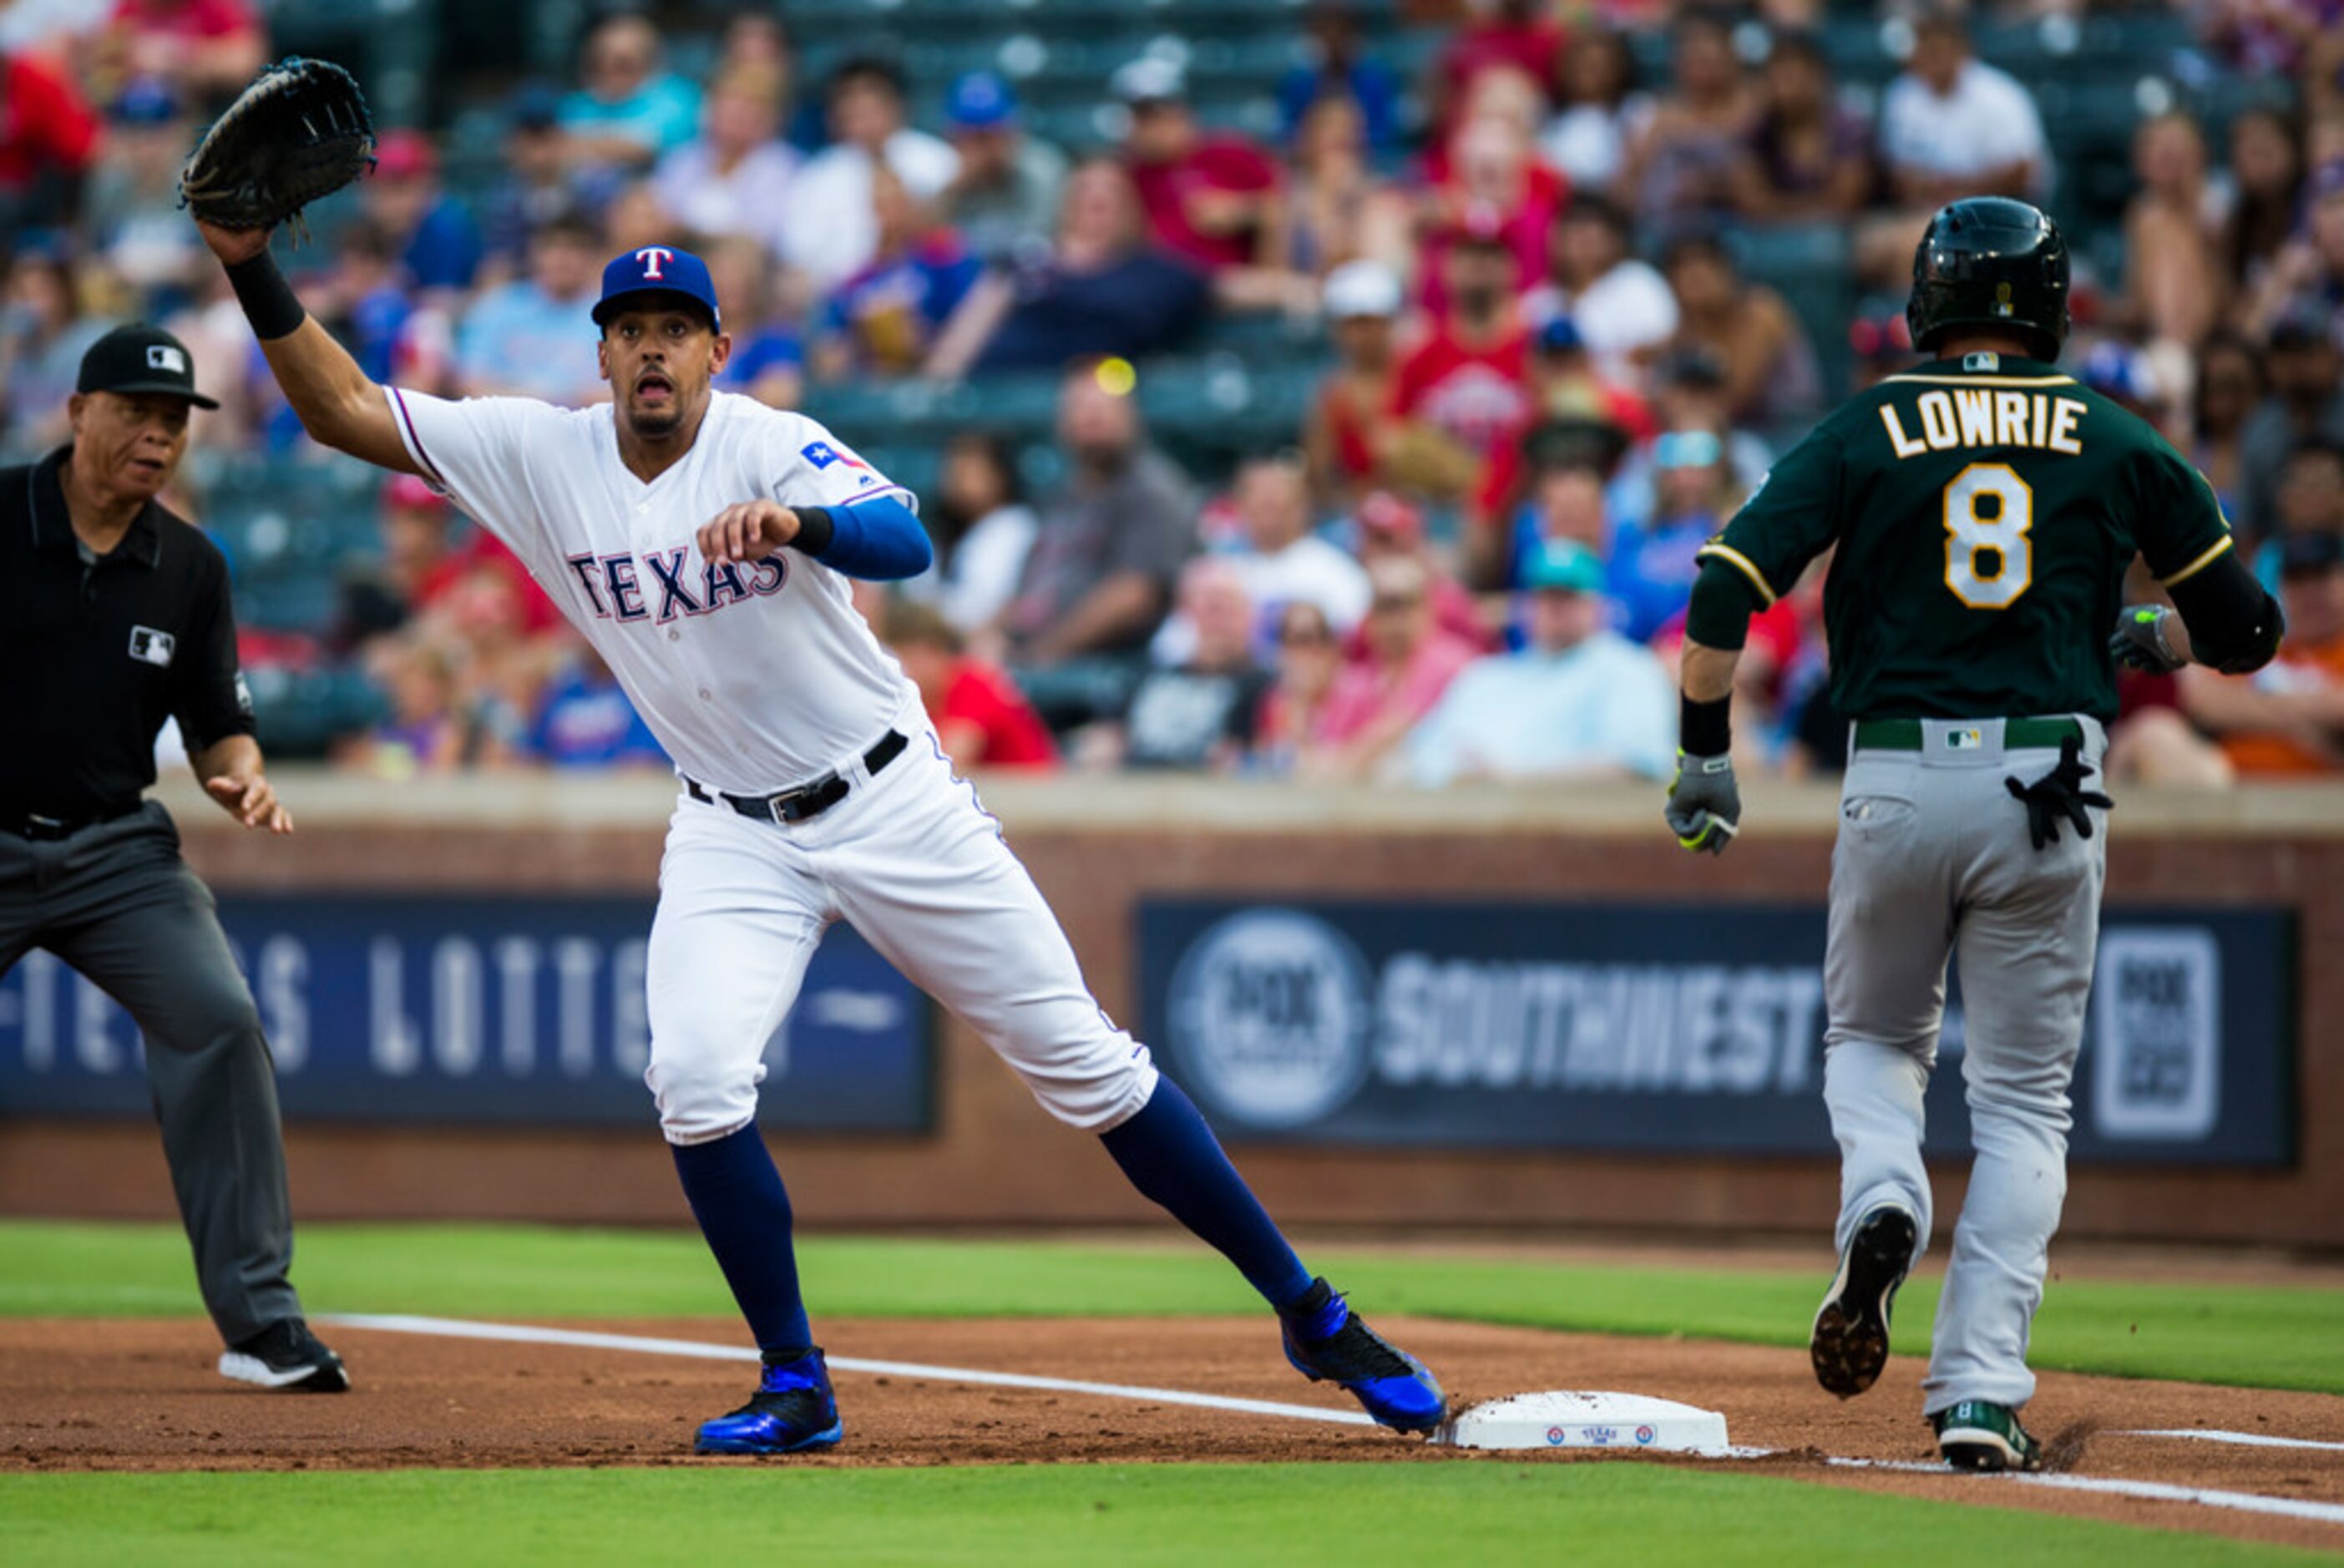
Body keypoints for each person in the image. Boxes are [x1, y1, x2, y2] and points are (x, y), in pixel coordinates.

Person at [200, 212, 1442, 1451]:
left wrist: (799, 524)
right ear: (600, 357)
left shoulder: (769, 442)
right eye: (629, 330)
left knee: (1086, 1064)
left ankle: (1309, 1312)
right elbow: (343, 409)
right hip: (730, 827)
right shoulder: (541, 454)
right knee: (692, 1081)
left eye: (674, 332)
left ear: (716, 350)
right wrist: (251, 263)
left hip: (891, 796)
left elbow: (903, 536)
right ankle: (795, 1380)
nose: (650, 351)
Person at [1663, 198, 2285, 1472]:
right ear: (2052, 302)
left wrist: (1704, 752)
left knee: (1871, 1037)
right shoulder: (2112, 433)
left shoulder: (1868, 421)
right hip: (2048, 780)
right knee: (2020, 1100)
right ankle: (1977, 1392)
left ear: (1926, 300)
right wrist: (2151, 634)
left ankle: (1882, 1193)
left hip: (1892, 774)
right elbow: (2246, 631)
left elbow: (1725, 580)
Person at [0, 322, 345, 1393]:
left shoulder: (190, 566)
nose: (158, 437)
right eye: (138, 414)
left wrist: (240, 772)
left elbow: (216, 724)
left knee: (220, 1020)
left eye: (174, 421)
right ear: (78, 414)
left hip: (116, 851)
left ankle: (261, 1326)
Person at [1406, 538, 1674, 785]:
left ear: (1597, 605)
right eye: (1545, 595)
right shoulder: (1484, 676)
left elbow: (1641, 767)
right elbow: (1420, 758)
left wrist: (1515, 780)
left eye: (1568, 595)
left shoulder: (1630, 669)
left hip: (1575, 827)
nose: (1555, 606)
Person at [995, 360, 1197, 667]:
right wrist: (990, 635)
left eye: (1103, 406)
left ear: (1131, 415)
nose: (1091, 416)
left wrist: (1040, 654)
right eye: (1079, 406)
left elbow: (1135, 596)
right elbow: (1030, 587)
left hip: (1108, 671)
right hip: (1035, 654)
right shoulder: (1063, 493)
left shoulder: (1152, 490)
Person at [930, 159, 1209, 377]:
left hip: (1097, 404)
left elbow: (1226, 288)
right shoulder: (1026, 260)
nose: (1097, 198)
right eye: (1084, 188)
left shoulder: (1156, 273)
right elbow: (959, 345)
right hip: (997, 398)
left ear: (1132, 207)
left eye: (1111, 190)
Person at [781, 57, 959, 293]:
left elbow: (954, 243)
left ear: (896, 106)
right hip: (840, 296)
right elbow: (798, 260)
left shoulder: (940, 162)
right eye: (853, 110)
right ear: (836, 117)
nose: (864, 120)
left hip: (931, 290)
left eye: (872, 107)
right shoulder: (816, 178)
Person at [1300, 553, 1478, 781]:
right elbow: (1328, 744)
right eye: (1385, 607)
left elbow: (1399, 727)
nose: (1395, 619)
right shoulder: (1363, 677)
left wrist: (1337, 768)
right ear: (1370, 618)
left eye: (1405, 604)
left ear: (1428, 609)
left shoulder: (1448, 659)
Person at [2179, 531, 2344, 776]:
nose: (2309, 592)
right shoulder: (2266, 649)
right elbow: (2204, 702)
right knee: (2153, 732)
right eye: (2297, 579)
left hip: (2323, 800)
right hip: (2232, 794)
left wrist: (2253, 708)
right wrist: (2309, 730)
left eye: (2320, 576)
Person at [1115, 56, 1284, 276]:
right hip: (1160, 284)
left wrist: (1242, 212)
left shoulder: (1227, 152)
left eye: (1162, 115)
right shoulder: (1129, 173)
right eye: (1144, 119)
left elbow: (1291, 206)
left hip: (1233, 277)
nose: (1156, 129)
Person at [1115, 559, 1275, 771]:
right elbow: (1112, 740)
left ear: (1250, 613)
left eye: (1230, 605)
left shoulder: (1266, 687)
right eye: (1211, 607)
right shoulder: (1151, 677)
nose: (1219, 618)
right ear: (1186, 612)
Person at [881, 597, 1057, 771]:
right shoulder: (923, 699)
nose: (899, 668)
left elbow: (947, 760)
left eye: (905, 657)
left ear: (933, 651)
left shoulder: (971, 682)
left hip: (1038, 793)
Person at [1523, 195, 1678, 387]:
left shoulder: (1638, 282)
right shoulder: (1541, 300)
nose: (1580, 244)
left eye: (1589, 235)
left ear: (1613, 240)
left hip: (1631, 400)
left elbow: (1664, 342)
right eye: (1572, 235)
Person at [651, 64, 799, 258]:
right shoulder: (682, 159)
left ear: (772, 118)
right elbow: (658, 220)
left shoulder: (785, 167)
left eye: (750, 106)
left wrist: (685, 233)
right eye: (728, 102)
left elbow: (762, 237)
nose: (736, 113)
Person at [454, 212, 605, 403]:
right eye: (551, 247)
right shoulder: (498, 306)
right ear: (535, 253)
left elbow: (614, 395)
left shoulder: (608, 315)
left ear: (592, 256)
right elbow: (469, 383)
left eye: (574, 248)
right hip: (502, 425)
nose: (562, 258)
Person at [908, 432, 1036, 637]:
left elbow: (995, 603)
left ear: (999, 476)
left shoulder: (1015, 525)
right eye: (953, 471)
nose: (959, 481)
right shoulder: (941, 533)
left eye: (971, 471)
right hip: (937, 641)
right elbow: (919, 599)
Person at [936, 71, 1067, 266]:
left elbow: (1046, 247)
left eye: (991, 134)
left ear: (1014, 131)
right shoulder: (940, 173)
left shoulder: (1043, 170)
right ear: (953, 137)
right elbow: (930, 251)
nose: (983, 147)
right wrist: (953, 190)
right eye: (972, 136)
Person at [1304, 259, 1405, 508]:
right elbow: (1319, 477)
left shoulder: (1414, 379)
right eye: (1356, 324)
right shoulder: (1331, 396)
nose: (1366, 334)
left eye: (1374, 322)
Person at [557, 13, 703, 172]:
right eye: (598, 62)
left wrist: (580, 146)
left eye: (623, 63)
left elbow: (645, 149)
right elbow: (549, 150)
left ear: (649, 62)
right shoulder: (577, 104)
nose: (608, 68)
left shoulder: (678, 97)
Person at [362, 129, 483, 297]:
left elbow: (446, 300)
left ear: (428, 186)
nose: (389, 203)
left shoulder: (448, 227)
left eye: (399, 190)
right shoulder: (370, 230)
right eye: (378, 191)